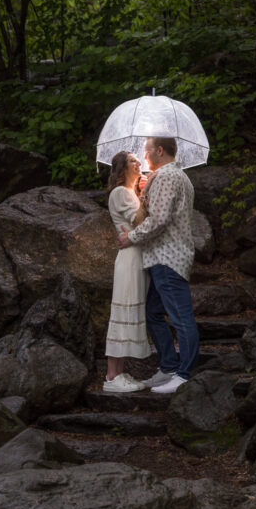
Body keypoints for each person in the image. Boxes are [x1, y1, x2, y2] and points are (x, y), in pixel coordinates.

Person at [119, 136, 199, 394]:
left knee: (181, 318)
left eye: (147, 149)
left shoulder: (166, 177)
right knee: (153, 313)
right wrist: (146, 191)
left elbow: (160, 219)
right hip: (164, 257)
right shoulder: (175, 176)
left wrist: (130, 237)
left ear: (160, 151)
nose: (144, 155)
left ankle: (184, 375)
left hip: (168, 257)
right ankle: (168, 367)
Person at [102, 150, 152, 393]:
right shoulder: (121, 193)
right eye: (133, 160)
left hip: (136, 256)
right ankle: (112, 376)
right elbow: (141, 222)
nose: (139, 162)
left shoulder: (131, 193)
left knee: (129, 312)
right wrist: (148, 194)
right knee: (122, 312)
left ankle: (120, 372)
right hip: (129, 260)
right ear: (122, 169)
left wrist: (142, 193)